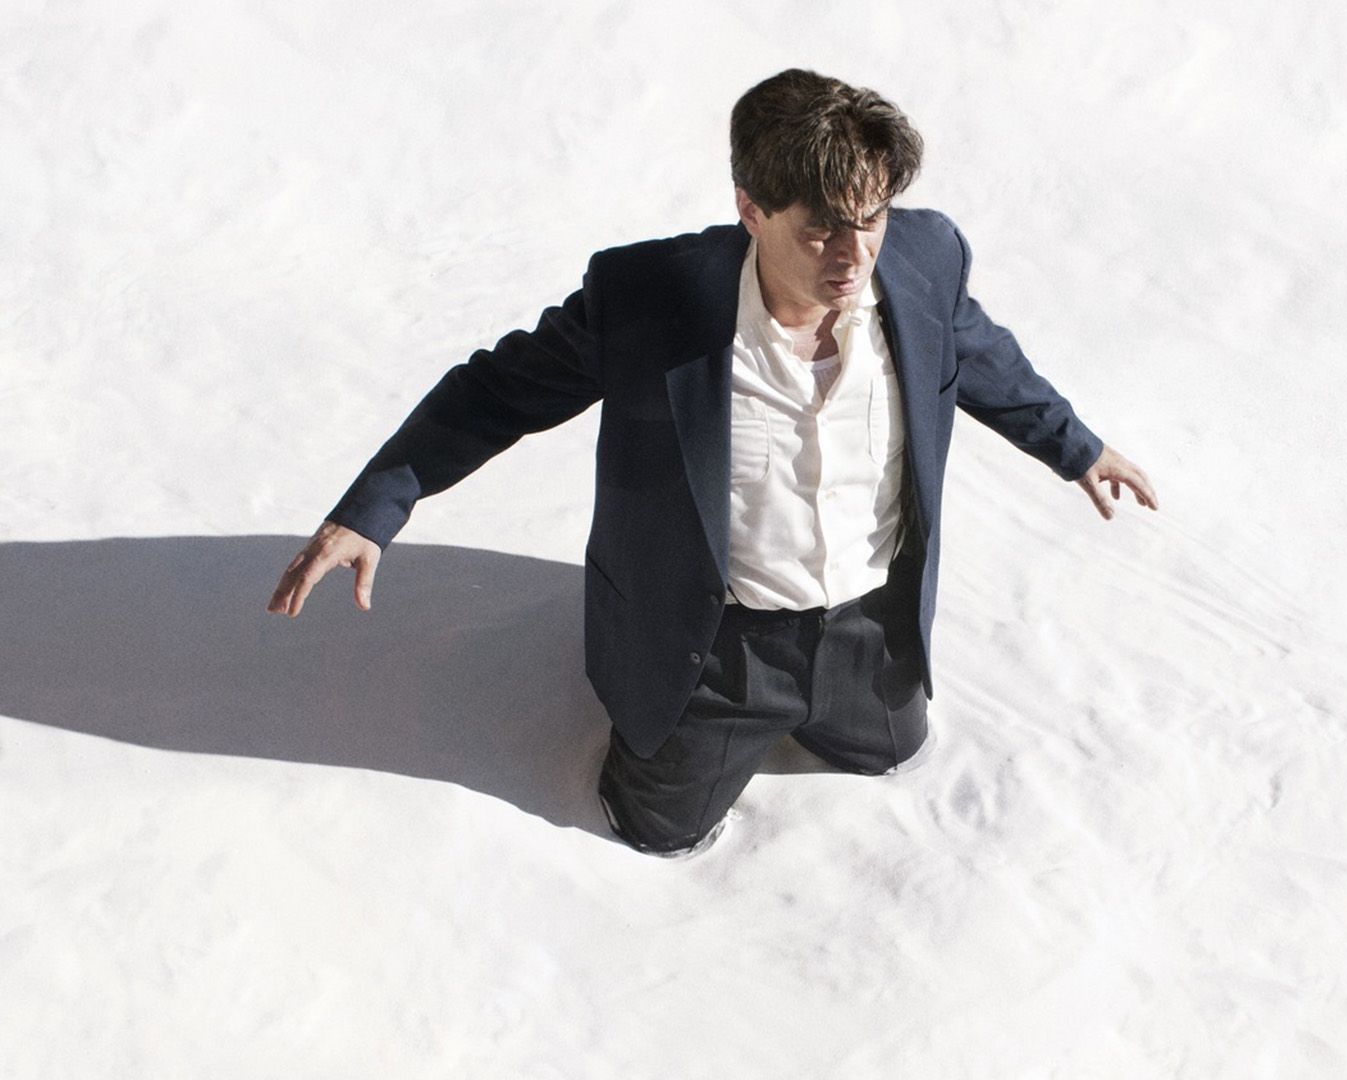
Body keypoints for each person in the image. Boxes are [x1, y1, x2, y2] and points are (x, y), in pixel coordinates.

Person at [266, 69, 1157, 858]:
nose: (856, 257)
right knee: (656, 832)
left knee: (891, 754)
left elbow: (980, 352)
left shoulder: (925, 259)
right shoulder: (648, 302)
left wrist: (1076, 446)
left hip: (870, 634)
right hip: (714, 651)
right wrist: (375, 507)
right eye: (823, 231)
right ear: (752, 210)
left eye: (873, 219)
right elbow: (496, 392)